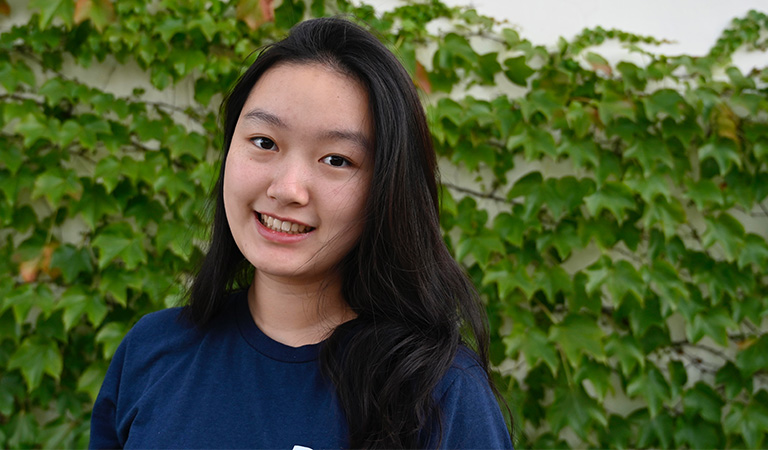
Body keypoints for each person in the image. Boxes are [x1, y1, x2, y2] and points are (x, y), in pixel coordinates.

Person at [89, 17, 513, 449]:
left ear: (387, 190)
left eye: (336, 160)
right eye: (264, 142)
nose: (286, 189)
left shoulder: (440, 394)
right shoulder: (152, 351)